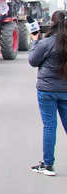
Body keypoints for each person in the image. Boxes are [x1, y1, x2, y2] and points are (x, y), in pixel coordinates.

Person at [28, 10, 67, 176]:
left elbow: (33, 61)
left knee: (50, 126)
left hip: (47, 91)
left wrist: (35, 42)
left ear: (52, 23)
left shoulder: (46, 43)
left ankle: (48, 165)